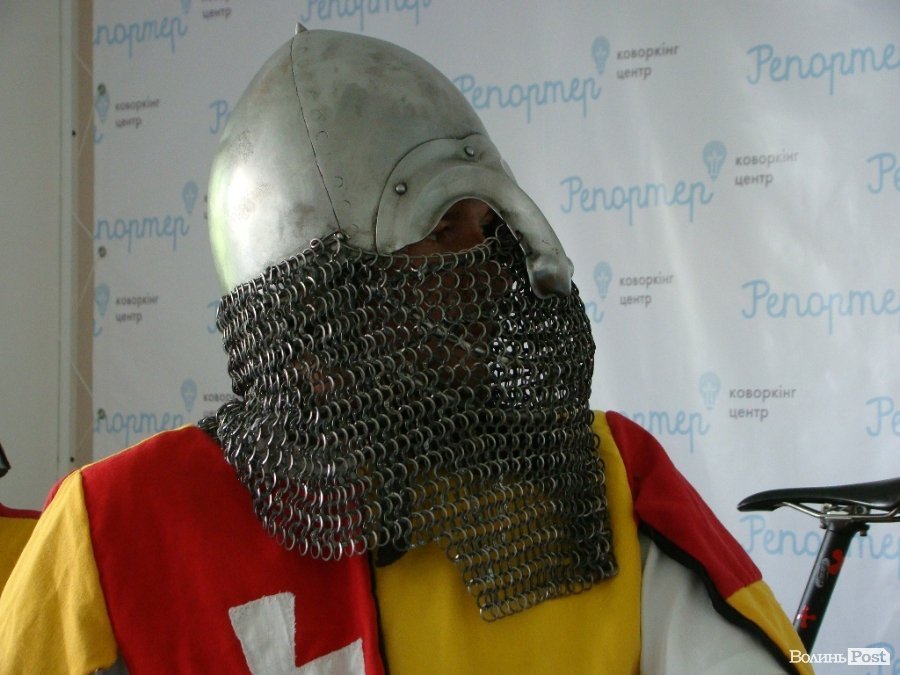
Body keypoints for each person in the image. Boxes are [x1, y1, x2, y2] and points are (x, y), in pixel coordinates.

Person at [0, 26, 809, 674]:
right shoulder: (119, 528)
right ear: (311, 297)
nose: (489, 270)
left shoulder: (603, 483)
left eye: (487, 227)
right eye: (440, 230)